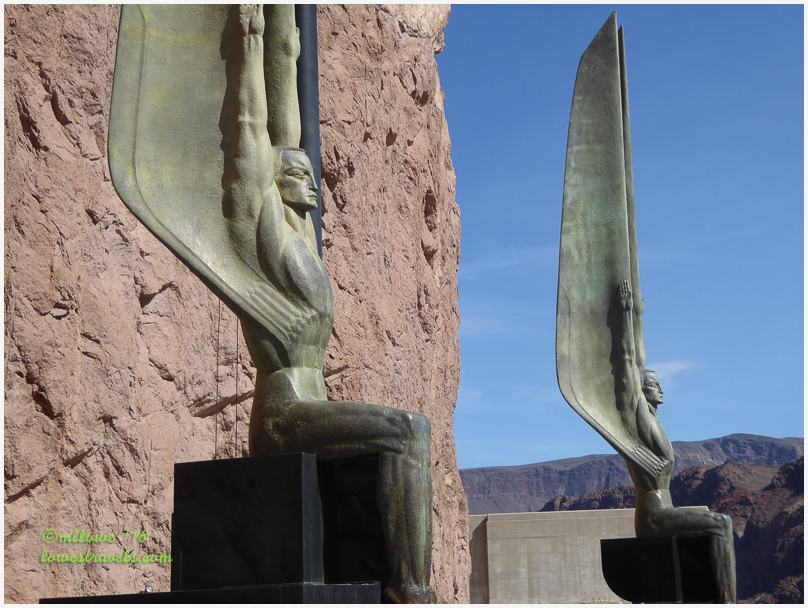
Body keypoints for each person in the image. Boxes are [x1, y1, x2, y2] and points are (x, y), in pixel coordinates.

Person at [221, 5, 433, 603]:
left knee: (408, 432)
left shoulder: (303, 240)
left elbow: (287, 126)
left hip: (311, 401)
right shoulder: (257, 225)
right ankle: (411, 591)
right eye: (298, 173)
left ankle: (408, 585)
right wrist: (251, 39)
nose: (312, 180)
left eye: (312, 173)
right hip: (283, 411)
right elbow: (251, 127)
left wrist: (285, 45)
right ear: (271, 180)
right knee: (408, 431)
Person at [614, 279, 736, 603]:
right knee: (721, 523)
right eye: (654, 384)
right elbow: (627, 360)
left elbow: (640, 357)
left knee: (717, 518)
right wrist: (625, 313)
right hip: (653, 516)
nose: (661, 388)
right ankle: (727, 602)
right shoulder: (637, 414)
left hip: (665, 507)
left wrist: (639, 315)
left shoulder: (656, 423)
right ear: (642, 391)